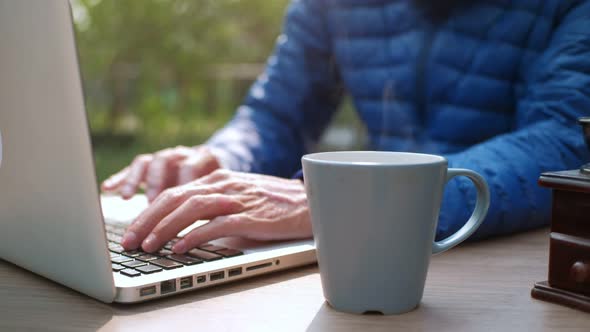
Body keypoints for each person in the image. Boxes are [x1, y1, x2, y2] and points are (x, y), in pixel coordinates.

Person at [102, 0, 590, 254]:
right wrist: (224, 160)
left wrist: (351, 198)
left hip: (511, 264)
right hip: (369, 246)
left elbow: (566, 142)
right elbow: (276, 114)